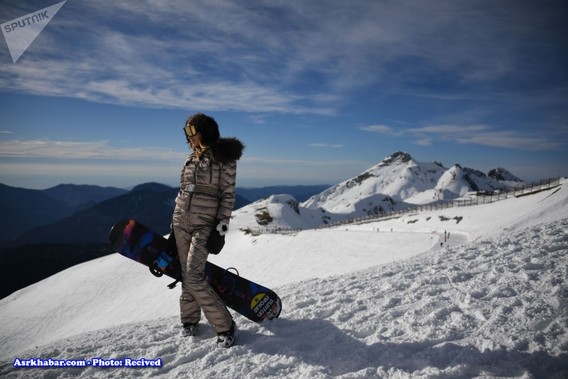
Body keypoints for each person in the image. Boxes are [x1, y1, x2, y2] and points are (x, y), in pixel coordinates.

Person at [171, 113, 244, 348]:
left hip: (204, 225)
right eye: (186, 133)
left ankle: (225, 326)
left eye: (192, 132)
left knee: (194, 275)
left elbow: (228, 195)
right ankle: (190, 320)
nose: (188, 138)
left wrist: (220, 230)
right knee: (184, 273)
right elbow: (183, 192)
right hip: (181, 221)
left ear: (205, 131)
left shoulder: (225, 160)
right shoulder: (190, 159)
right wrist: (173, 225)